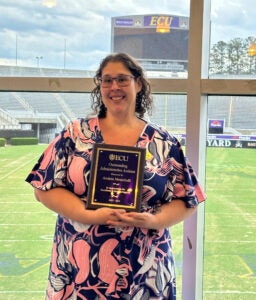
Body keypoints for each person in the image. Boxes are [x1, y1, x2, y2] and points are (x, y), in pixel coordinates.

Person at [26, 52, 206, 300]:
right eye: (107, 80)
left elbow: (187, 199)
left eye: (122, 79)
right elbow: (43, 188)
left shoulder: (164, 141)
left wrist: (153, 221)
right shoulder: (76, 134)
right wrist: (88, 214)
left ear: (138, 83)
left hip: (145, 267)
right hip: (81, 264)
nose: (114, 87)